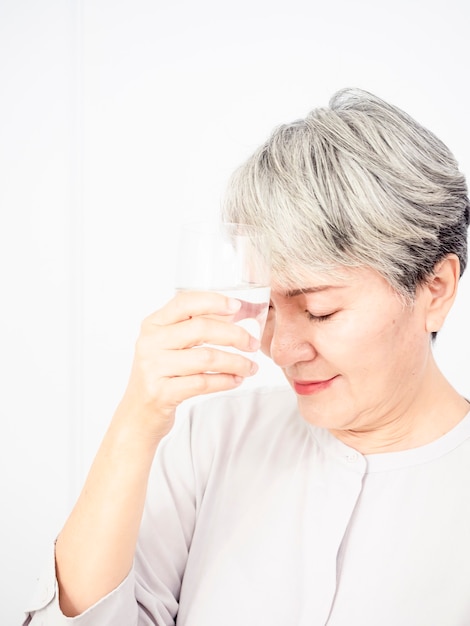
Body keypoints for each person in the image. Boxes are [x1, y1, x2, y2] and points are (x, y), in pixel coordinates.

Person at [24, 88, 470, 625]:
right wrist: (137, 420)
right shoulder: (212, 440)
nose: (280, 350)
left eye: (321, 311)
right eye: (267, 308)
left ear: (437, 289)